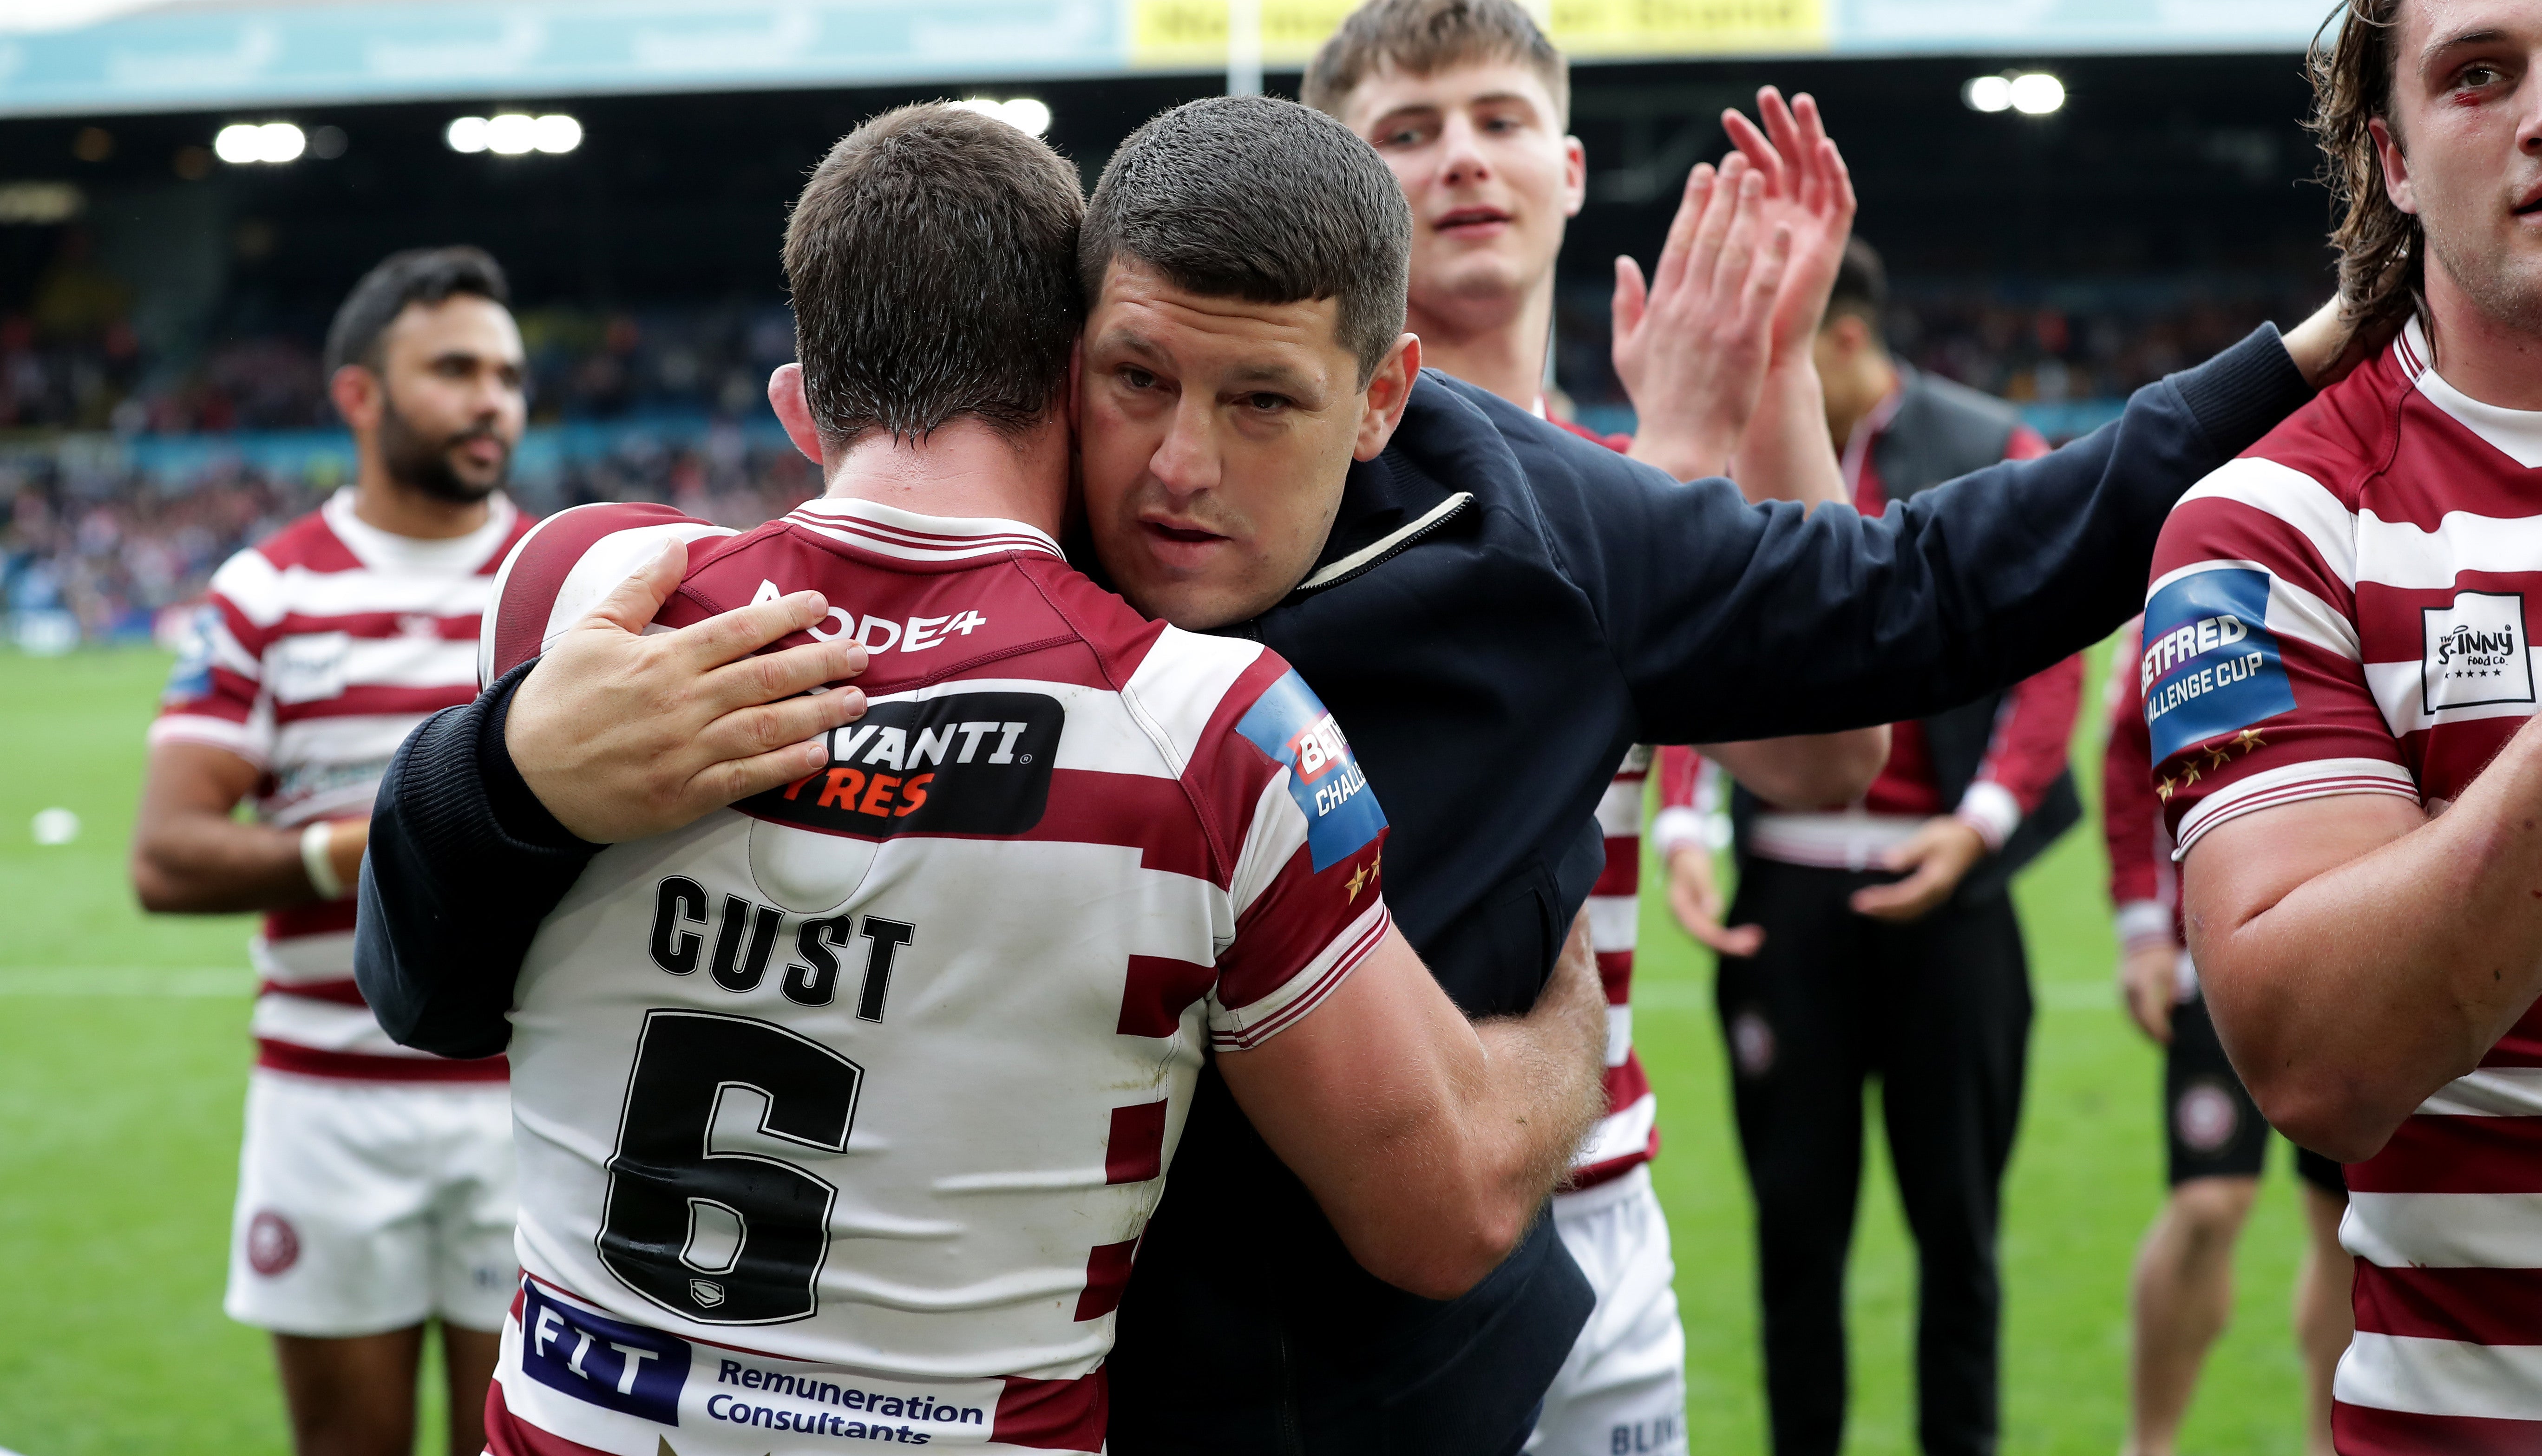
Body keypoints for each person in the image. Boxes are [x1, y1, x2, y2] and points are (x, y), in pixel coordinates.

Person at [363, 93, 2368, 1456]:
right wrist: (508, 774)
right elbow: (470, 963)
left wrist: (2317, 345)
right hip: (1016, 1385)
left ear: (1386, 392)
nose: (1173, 464)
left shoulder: (1547, 541)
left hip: (1371, 1388)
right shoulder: (980, 556)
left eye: (1263, 404)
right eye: (1132, 379)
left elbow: (1941, 583)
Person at [451, 104, 1609, 1456]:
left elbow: (426, 949)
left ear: (800, 398)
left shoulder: (577, 591)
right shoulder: (1209, 726)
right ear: (1080, 381)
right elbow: (1445, 1216)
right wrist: (1572, 1022)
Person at [1299, 0, 1887, 1456]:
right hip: (1360, 1206)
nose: (1462, 161)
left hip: (1604, 1187)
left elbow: (1822, 761)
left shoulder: (1636, 475)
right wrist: (1680, 456)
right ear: (1341, 191)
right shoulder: (1289, 512)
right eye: (1408, 132)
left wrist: (1773, 371)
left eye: (1503, 121)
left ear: (1570, 172)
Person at [2143, 0, 2542, 1451]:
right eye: (2477, 73)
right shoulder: (2266, 528)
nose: (2536, 117)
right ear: (2389, 155)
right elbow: (2321, 1057)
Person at [1661, 238, 2086, 1456]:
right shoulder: (1743, 459)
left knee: (1959, 1235)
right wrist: (1686, 817)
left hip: (1950, 895)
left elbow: (2049, 654)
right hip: (1784, 900)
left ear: (1844, 337)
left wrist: (1983, 824)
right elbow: (1697, 639)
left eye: (1781, 351)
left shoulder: (1989, 445)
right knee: (1794, 1239)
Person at [129, 247, 532, 1456]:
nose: (491, 401)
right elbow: (167, 858)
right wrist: (357, 852)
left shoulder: (564, 586)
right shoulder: (264, 594)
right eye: (454, 370)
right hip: (326, 1104)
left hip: (526, 1101)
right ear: (359, 396)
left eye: (507, 375)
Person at [2102, 615, 2352, 1456]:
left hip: (2360, 948)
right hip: (2219, 948)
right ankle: (2151, 1443)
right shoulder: (2210, 555)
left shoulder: (2380, 542)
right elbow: (2128, 754)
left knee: (2345, 1219)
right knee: (2211, 1205)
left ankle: (2333, 1442)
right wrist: (2142, 928)